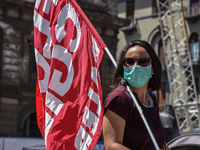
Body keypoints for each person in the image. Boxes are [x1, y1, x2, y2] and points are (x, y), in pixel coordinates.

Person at [103, 40, 170, 150]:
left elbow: (155, 142)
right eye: (130, 61)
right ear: (124, 67)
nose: (135, 66)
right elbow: (111, 146)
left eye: (143, 61)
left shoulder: (152, 98)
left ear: (152, 68)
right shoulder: (120, 98)